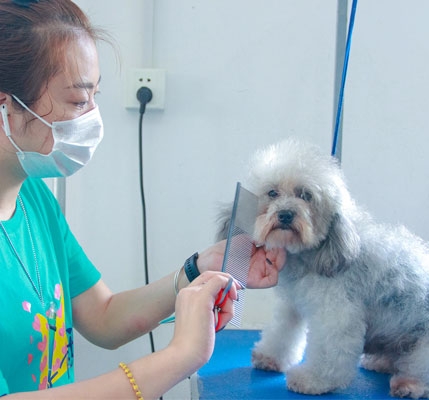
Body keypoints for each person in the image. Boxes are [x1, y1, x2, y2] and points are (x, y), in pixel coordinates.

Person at [0, 0, 286, 398]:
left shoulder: (35, 198)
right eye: (78, 101)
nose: (93, 118)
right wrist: (180, 356)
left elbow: (103, 317)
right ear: (6, 107)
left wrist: (195, 271)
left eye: (95, 96)